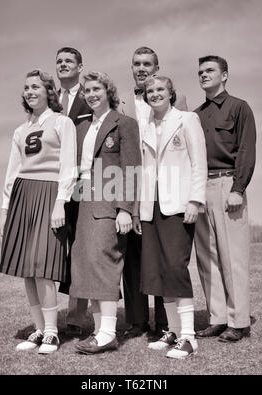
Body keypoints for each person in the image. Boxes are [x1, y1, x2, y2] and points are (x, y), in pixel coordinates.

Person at [0, 69, 77, 354]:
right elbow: (12, 171)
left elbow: (69, 166)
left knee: (43, 266)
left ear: (49, 91)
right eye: (26, 88)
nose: (29, 91)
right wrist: (5, 209)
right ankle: (39, 329)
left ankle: (53, 332)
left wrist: (60, 202)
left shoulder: (61, 122)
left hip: (48, 193)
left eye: (35, 87)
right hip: (23, 195)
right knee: (27, 269)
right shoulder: (20, 130)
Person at [69, 71, 141, 354]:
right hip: (84, 200)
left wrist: (125, 209)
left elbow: (132, 169)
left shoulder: (125, 123)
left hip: (110, 202)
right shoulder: (82, 127)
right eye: (87, 90)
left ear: (108, 91)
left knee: (105, 265)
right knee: (88, 267)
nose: (91, 94)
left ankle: (109, 332)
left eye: (96, 88)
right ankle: (101, 331)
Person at [137, 75, 207, 359]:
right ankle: (174, 331)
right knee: (159, 270)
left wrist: (195, 199)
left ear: (171, 93)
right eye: (150, 91)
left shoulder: (187, 119)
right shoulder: (145, 126)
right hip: (150, 206)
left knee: (176, 267)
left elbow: (199, 161)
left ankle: (189, 337)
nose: (154, 94)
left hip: (178, 204)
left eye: (160, 90)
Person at [121, 46, 188, 339]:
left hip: (164, 185)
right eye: (136, 63)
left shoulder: (178, 100)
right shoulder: (121, 103)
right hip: (129, 181)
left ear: (157, 67)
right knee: (134, 256)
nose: (141, 68)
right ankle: (137, 321)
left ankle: (166, 323)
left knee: (162, 255)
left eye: (147, 63)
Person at [194, 55, 256, 342]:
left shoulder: (239, 108)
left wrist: (238, 189)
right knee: (208, 258)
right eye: (201, 72)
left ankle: (239, 321)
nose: (204, 75)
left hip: (229, 184)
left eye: (210, 71)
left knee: (234, 258)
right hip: (201, 188)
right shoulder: (196, 115)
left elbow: (245, 149)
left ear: (225, 75)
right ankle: (218, 318)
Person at [56, 47, 92, 337]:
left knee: (81, 248)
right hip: (53, 184)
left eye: (68, 61)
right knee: (57, 247)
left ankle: (77, 317)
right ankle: (46, 312)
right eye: (59, 61)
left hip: (83, 183)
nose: (63, 64)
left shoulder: (91, 96)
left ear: (81, 66)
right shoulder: (49, 99)